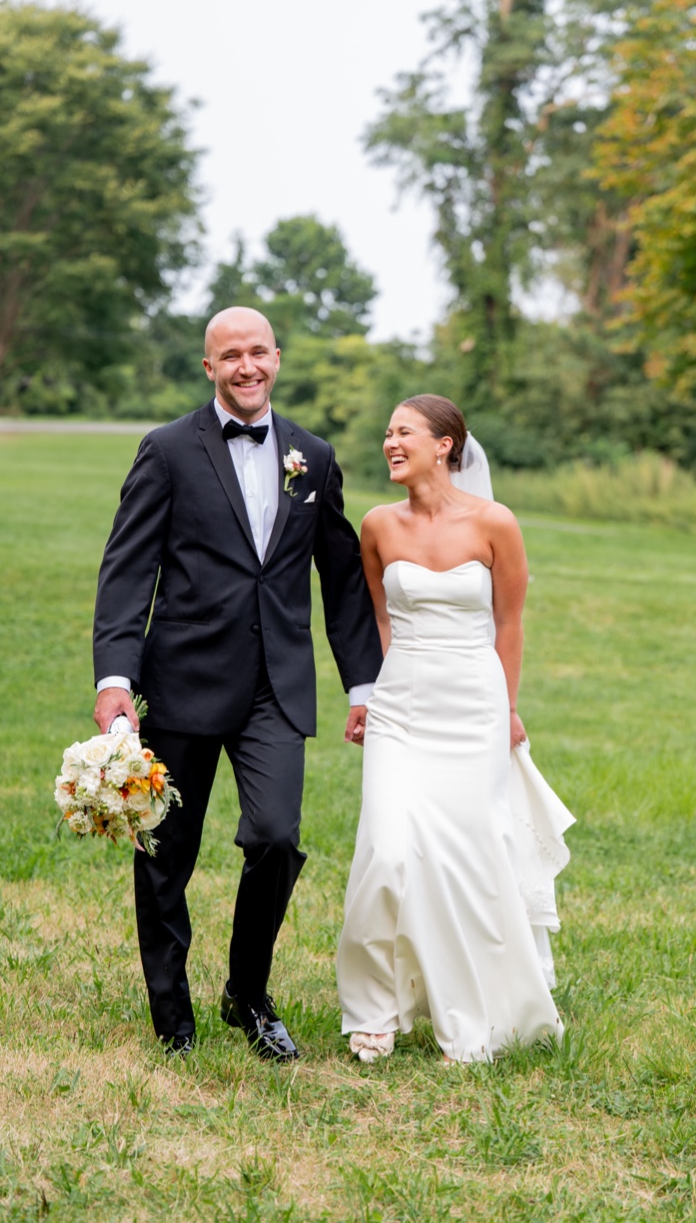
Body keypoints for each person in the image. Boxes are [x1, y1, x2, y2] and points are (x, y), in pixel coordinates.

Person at [93, 306, 382, 1059]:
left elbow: (343, 581)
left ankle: (247, 995)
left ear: (277, 358)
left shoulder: (312, 458)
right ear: (209, 367)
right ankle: (172, 1017)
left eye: (258, 352)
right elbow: (129, 569)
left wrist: (363, 687)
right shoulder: (166, 450)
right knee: (166, 853)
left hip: (275, 690)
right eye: (231, 356)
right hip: (183, 679)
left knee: (277, 838)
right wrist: (115, 676)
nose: (246, 366)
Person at [335, 394, 569, 1063]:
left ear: (446, 445)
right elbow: (379, 619)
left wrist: (510, 710)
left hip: (473, 706)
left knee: (468, 858)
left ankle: (474, 1006)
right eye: (387, 432)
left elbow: (509, 624)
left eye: (404, 431)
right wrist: (368, 696)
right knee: (386, 850)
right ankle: (373, 1009)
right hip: (402, 706)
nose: (390, 442)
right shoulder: (378, 525)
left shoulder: (495, 524)